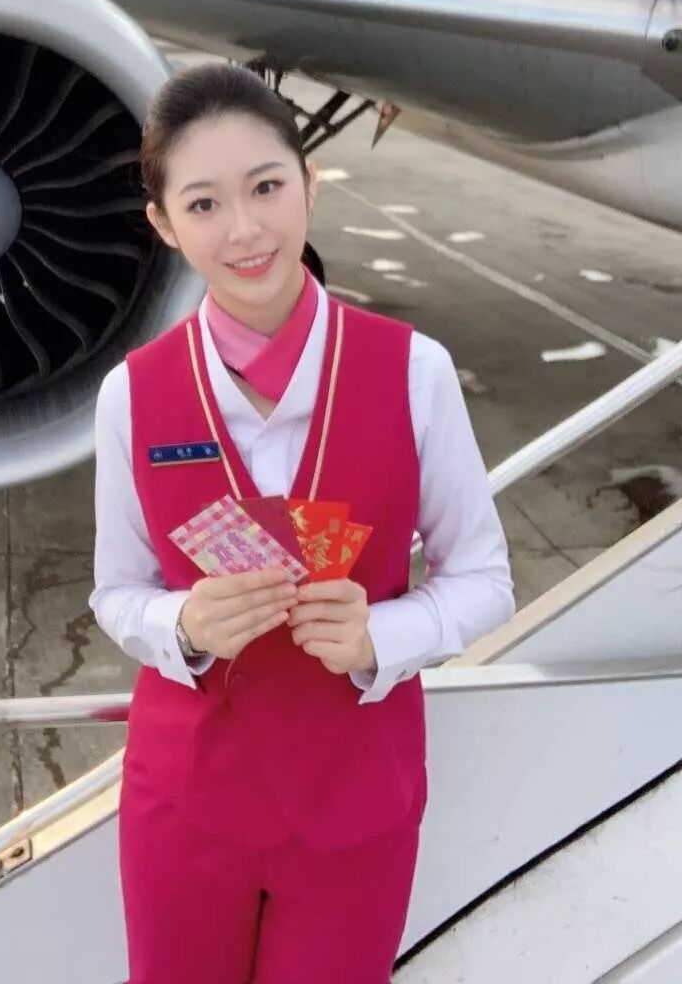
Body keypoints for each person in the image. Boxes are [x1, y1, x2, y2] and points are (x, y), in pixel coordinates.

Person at [89, 62, 515, 984]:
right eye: (204, 205)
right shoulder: (134, 394)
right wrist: (182, 624)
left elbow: (485, 579)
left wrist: (381, 635)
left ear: (310, 185)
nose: (245, 230)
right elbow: (116, 592)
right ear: (163, 223)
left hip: (355, 807)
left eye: (267, 187)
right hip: (187, 804)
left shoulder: (413, 372)